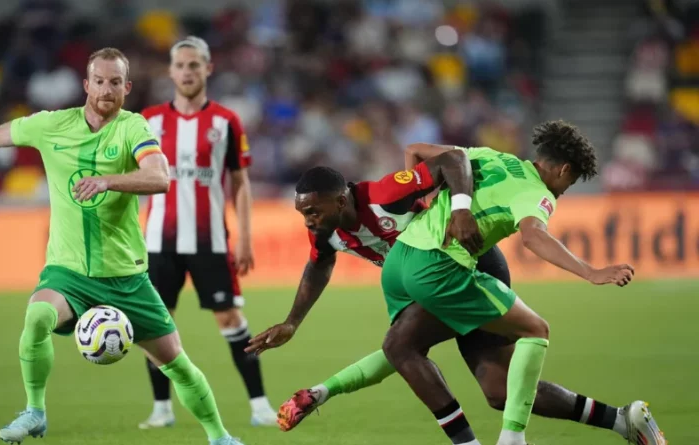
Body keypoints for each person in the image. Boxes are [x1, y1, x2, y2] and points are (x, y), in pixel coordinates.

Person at [0, 48, 244, 445]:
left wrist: (108, 181)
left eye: (115, 82)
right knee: (36, 318)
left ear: (127, 87)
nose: (106, 89)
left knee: (178, 365)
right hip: (68, 274)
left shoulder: (133, 128)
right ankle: (35, 411)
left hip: (126, 277)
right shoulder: (52, 125)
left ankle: (220, 438)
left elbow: (160, 177)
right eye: (99, 81)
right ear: (86, 85)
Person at [247, 138, 665, 445]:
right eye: (303, 213)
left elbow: (451, 159)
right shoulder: (326, 231)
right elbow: (319, 264)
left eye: (313, 210)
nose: (308, 220)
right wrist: (292, 322)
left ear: (341, 200)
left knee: (403, 346)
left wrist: (457, 208)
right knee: (493, 388)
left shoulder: (386, 194)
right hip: (421, 272)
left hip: (464, 262)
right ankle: (622, 420)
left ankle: (325, 393)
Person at [377, 122, 663, 445]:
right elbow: (533, 236)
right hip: (438, 270)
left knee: (495, 386)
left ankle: (621, 421)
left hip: (398, 260)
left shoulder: (491, 157)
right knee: (536, 329)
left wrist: (421, 205)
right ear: (563, 169)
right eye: (570, 180)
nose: (564, 190)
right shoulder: (537, 192)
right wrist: (590, 272)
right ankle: (513, 439)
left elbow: (413, 150)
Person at [138, 36, 277, 429]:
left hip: (210, 239)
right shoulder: (147, 121)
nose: (186, 72)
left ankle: (259, 404)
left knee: (231, 319)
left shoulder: (226, 121)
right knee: (154, 324)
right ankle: (162, 409)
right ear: (170, 71)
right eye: (180, 65)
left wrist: (245, 237)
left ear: (208, 69)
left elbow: (241, 182)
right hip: (158, 241)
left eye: (194, 65)